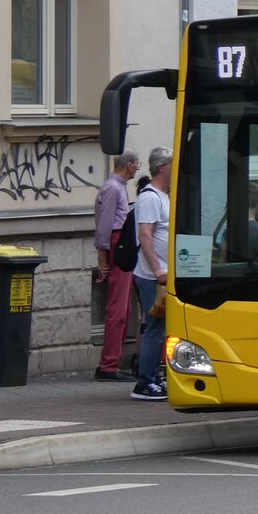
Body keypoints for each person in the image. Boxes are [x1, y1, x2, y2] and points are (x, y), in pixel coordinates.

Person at [92, 149, 140, 382]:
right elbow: (104, 226)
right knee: (117, 308)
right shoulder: (113, 188)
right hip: (116, 243)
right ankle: (108, 365)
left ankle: (112, 362)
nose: (138, 168)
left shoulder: (117, 187)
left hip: (120, 243)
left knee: (123, 308)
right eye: (137, 164)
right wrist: (103, 261)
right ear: (129, 165)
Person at [131, 147, 172, 401]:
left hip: (164, 275)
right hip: (152, 277)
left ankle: (155, 378)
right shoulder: (150, 198)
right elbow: (145, 235)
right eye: (172, 164)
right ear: (161, 168)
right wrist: (157, 269)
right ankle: (145, 382)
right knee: (154, 327)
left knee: (162, 328)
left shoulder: (164, 196)